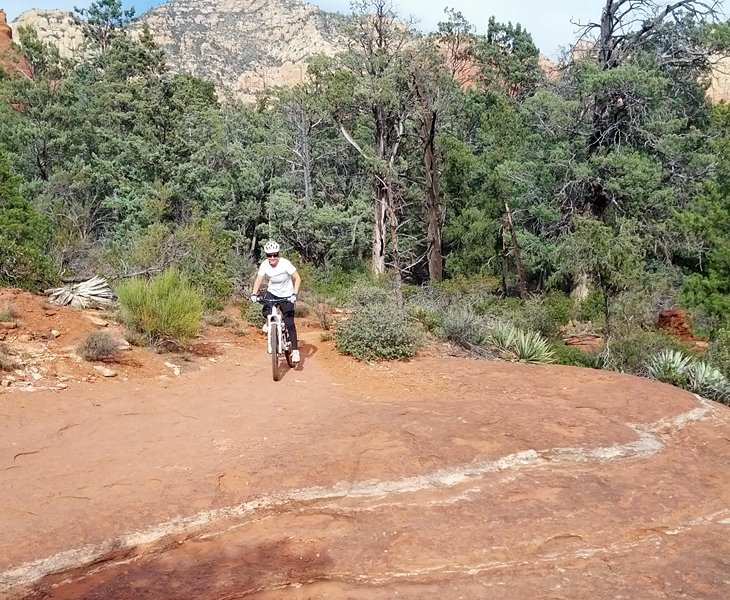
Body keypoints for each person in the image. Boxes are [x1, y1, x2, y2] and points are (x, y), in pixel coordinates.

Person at [249, 240, 301, 364]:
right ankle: (270, 322)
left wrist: (295, 294)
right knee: (265, 310)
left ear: (278, 254)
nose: (272, 258)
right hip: (272, 292)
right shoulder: (265, 265)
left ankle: (294, 350)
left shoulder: (285, 264)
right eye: (269, 255)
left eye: (274, 255)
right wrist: (254, 293)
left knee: (289, 322)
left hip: (287, 294)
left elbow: (297, 278)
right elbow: (258, 279)